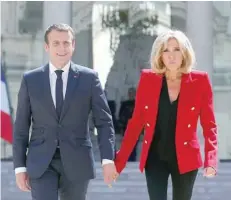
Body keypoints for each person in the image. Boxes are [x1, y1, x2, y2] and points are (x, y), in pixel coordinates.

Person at [13, 23, 117, 200]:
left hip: (77, 160)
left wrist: (108, 159)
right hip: (41, 161)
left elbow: (104, 122)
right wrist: (20, 167)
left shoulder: (89, 78)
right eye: (56, 43)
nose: (62, 48)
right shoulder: (31, 80)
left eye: (66, 43)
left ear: (73, 45)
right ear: (47, 47)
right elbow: (21, 126)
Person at [114, 30, 218, 200]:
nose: (171, 56)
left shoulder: (200, 81)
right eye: (166, 50)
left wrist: (211, 160)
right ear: (160, 55)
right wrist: (119, 163)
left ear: (184, 52)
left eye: (176, 49)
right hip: (155, 157)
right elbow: (135, 124)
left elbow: (209, 125)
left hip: (186, 157)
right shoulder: (148, 79)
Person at [119, 87, 138, 161]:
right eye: (130, 93)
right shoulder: (124, 104)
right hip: (125, 128)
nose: (131, 94)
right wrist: (121, 127)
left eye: (133, 93)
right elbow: (121, 116)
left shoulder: (138, 103)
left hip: (135, 128)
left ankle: (132, 160)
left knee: (134, 146)